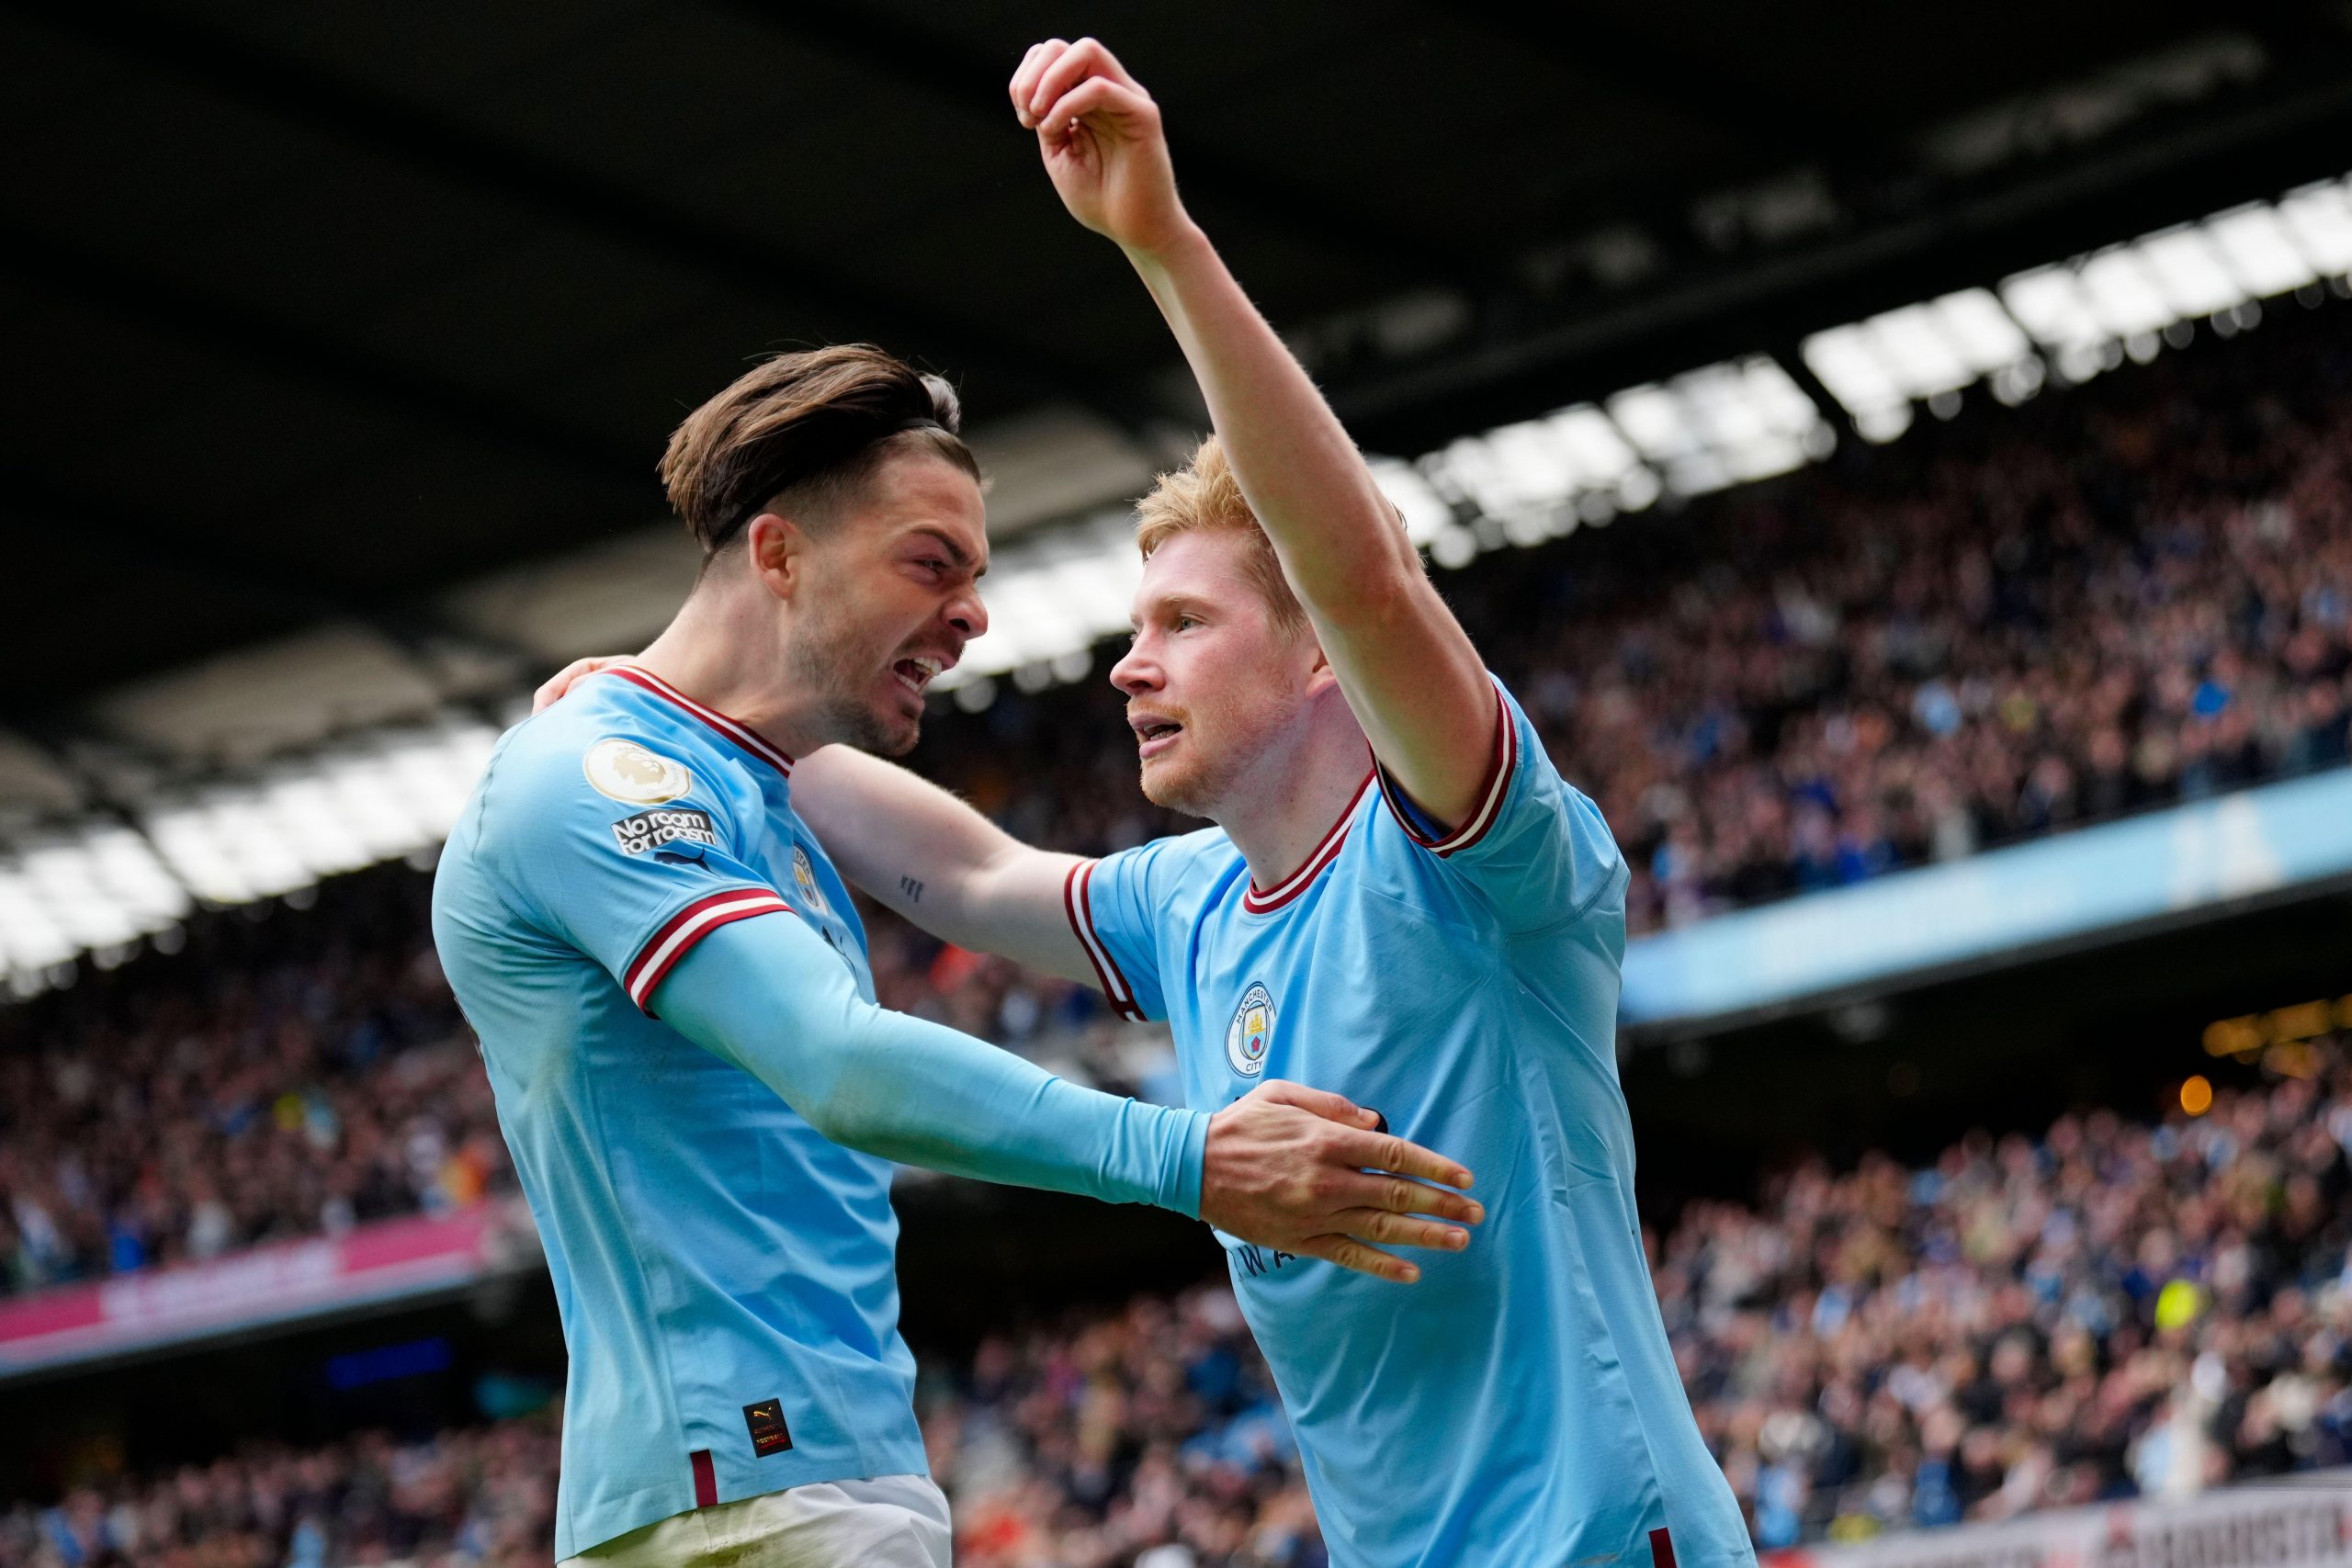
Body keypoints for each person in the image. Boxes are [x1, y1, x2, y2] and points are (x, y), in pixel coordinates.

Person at [436, 344, 1484, 1568]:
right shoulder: (595, 777)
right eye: (931, 564)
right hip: (741, 1495)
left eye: (976, 577)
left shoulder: (752, 790)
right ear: (779, 555)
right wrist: (1191, 1157)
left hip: (813, 1480)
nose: (976, 614)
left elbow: (983, 876)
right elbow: (838, 1064)